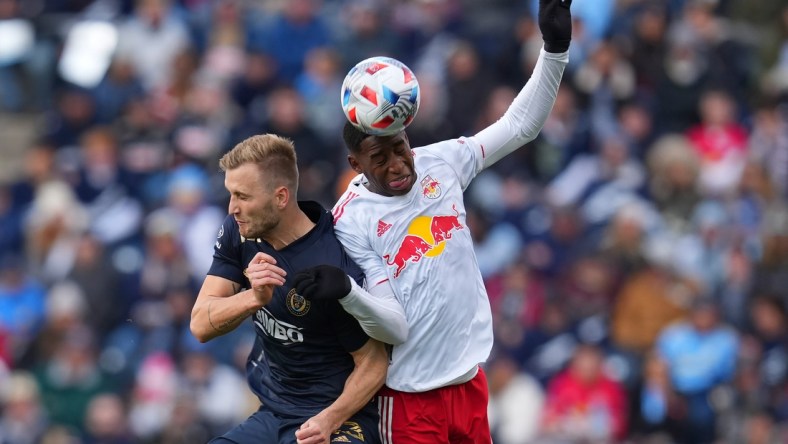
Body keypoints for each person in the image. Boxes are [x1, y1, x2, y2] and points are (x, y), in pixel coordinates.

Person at [292, 0, 573, 441]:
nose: (399, 164)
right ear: (355, 163)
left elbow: (521, 126)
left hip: (470, 384)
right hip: (409, 400)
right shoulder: (351, 222)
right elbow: (393, 327)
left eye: (400, 148)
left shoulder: (442, 162)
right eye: (379, 158)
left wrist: (555, 50)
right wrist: (348, 292)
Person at [189, 134, 401, 444]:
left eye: (243, 196)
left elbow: (373, 363)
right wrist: (253, 297)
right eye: (230, 194)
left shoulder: (330, 268)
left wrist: (328, 420)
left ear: (281, 197)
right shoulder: (240, 231)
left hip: (339, 417)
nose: (233, 207)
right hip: (274, 413)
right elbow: (200, 324)